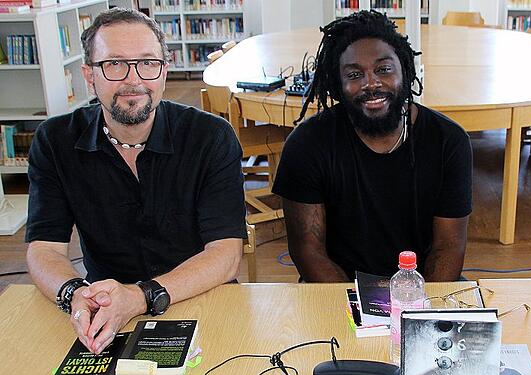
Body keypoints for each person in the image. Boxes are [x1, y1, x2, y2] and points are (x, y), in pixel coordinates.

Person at [25, 8, 246, 354]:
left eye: (147, 62)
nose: (134, 80)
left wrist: (141, 296)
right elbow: (44, 248)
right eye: (114, 64)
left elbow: (225, 254)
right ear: (88, 75)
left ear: (164, 69)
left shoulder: (210, 137)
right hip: (104, 306)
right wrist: (74, 292)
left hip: (202, 297)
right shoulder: (54, 141)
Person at [272, 11, 472, 282]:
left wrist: (420, 312)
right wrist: (356, 313)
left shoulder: (448, 141)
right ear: (337, 84)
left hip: (422, 291)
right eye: (354, 74)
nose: (371, 83)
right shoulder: (307, 145)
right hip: (337, 292)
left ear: (405, 69)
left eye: (383, 69)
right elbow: (308, 251)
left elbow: (448, 247)